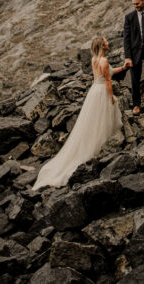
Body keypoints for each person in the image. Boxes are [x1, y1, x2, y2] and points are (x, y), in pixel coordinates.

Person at [32, 36, 125, 189]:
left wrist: (124, 67)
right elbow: (108, 81)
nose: (109, 43)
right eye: (106, 42)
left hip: (94, 91)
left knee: (93, 120)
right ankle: (101, 146)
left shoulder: (95, 59)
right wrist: (111, 97)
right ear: (102, 45)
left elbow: (107, 73)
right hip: (102, 92)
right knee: (102, 119)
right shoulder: (104, 61)